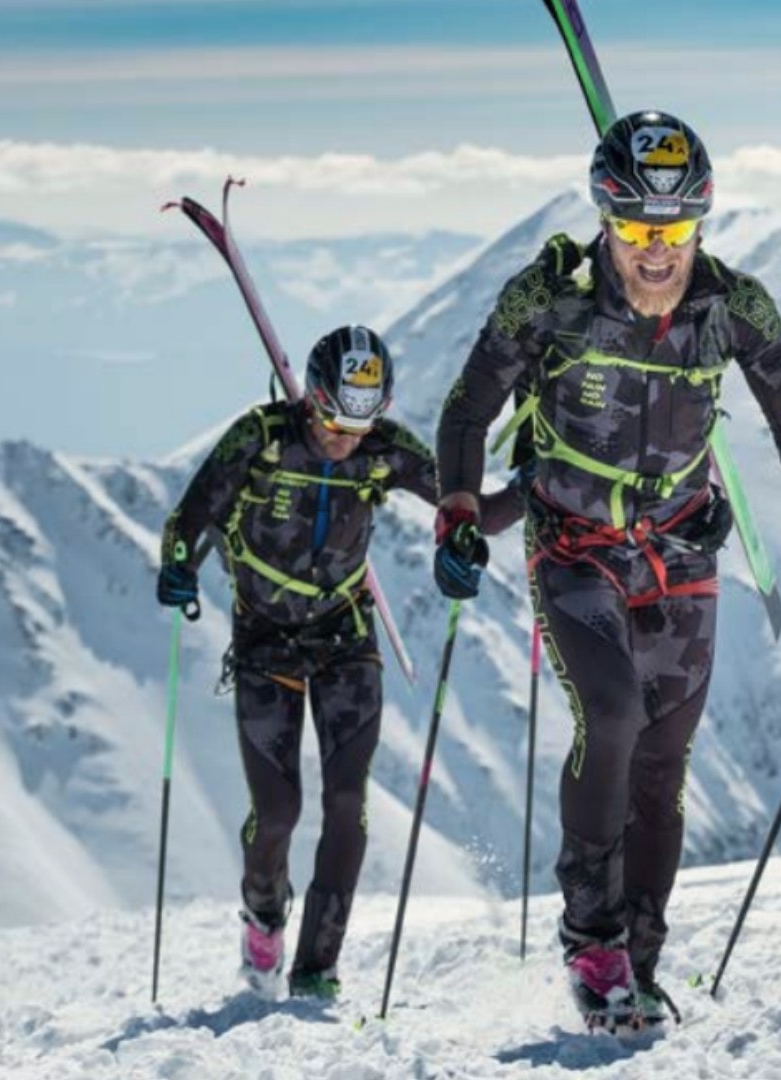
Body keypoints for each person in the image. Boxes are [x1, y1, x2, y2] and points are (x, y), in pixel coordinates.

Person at [434, 110, 781, 1031]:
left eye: (675, 227)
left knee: (663, 766)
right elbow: (466, 409)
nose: (656, 249)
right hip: (571, 541)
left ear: (701, 223)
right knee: (611, 714)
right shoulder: (549, 298)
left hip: (682, 544)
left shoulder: (733, 308)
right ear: (606, 217)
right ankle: (592, 941)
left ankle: (637, 965)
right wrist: (457, 513)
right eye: (639, 227)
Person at [157, 325, 519, 999]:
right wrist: (177, 565)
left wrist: (521, 488)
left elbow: (473, 508)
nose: (344, 436)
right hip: (265, 640)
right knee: (277, 815)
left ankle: (316, 969)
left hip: (345, 636)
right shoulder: (261, 438)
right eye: (331, 418)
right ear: (312, 399)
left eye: (361, 421)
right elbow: (192, 515)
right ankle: (264, 915)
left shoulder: (383, 450)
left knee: (348, 803)